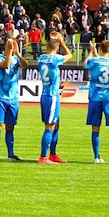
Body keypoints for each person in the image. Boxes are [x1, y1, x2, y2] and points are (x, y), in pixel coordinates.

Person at [0, 36, 30, 161]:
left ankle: (10, 154)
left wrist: (17, 53)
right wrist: (8, 51)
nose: (12, 47)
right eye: (11, 45)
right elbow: (5, 65)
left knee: (10, 126)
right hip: (0, 97)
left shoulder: (16, 59)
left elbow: (26, 65)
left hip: (13, 98)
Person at [37, 32, 73, 164]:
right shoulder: (55, 59)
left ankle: (53, 154)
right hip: (52, 96)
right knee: (50, 126)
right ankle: (43, 156)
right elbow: (70, 55)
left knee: (56, 125)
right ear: (57, 48)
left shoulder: (41, 58)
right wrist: (62, 42)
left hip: (45, 94)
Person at [85, 40, 109, 163]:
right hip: (108, 98)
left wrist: (92, 52)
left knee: (95, 128)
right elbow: (103, 63)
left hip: (95, 98)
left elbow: (85, 64)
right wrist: (97, 53)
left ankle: (96, 157)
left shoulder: (94, 61)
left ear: (100, 49)